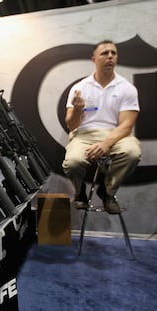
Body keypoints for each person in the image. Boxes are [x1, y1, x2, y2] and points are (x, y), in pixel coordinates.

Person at [62, 39, 141, 214]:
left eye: (113, 53)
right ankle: (80, 192)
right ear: (94, 59)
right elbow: (71, 125)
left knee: (132, 153)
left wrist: (105, 144)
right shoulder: (80, 88)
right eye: (105, 53)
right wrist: (77, 109)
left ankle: (107, 192)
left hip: (116, 134)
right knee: (73, 162)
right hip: (84, 133)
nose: (110, 56)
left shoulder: (127, 88)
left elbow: (127, 125)